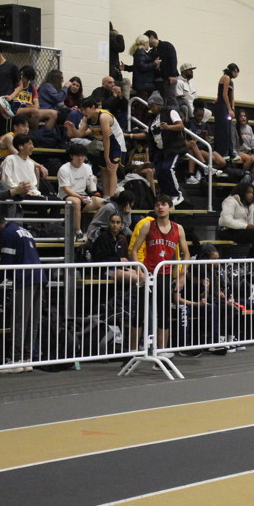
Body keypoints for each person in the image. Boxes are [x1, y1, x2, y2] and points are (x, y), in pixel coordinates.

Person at [128, 194, 190, 351]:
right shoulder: (148, 226)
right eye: (157, 205)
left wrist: (182, 276)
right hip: (148, 274)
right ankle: (132, 352)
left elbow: (186, 255)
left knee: (164, 316)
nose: (160, 207)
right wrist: (139, 271)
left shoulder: (178, 228)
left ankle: (161, 352)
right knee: (139, 314)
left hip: (165, 275)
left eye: (164, 204)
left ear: (170, 208)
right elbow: (134, 251)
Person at [0, 214, 45, 373]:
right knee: (32, 320)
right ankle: (27, 358)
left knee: (19, 319)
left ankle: (16, 359)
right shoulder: (23, 230)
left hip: (25, 278)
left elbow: (6, 261)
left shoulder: (7, 233)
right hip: (39, 276)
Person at [78, 97, 127, 197]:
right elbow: (79, 133)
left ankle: (111, 197)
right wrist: (71, 128)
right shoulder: (87, 118)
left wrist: (106, 157)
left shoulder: (103, 116)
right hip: (103, 144)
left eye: (85, 109)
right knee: (104, 171)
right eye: (81, 110)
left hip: (116, 144)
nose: (83, 112)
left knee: (111, 170)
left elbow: (106, 138)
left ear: (92, 107)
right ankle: (106, 196)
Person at [57, 145, 103, 239]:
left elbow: (90, 189)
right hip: (67, 196)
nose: (80, 158)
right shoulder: (64, 169)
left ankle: (92, 229)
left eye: (82, 156)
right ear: (71, 156)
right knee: (76, 202)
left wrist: (93, 183)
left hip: (83, 195)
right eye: (77, 156)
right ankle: (78, 231)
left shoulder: (87, 168)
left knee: (104, 203)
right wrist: (79, 197)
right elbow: (66, 188)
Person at [218, 183, 254, 258]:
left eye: (252, 193)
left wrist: (249, 227)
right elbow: (226, 220)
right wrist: (245, 226)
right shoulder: (230, 201)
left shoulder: (250, 205)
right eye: (248, 192)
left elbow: (250, 223)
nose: (251, 195)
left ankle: (252, 259)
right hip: (226, 230)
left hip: (241, 230)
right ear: (242, 191)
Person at [144, 30, 178, 106]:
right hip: (157, 81)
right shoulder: (152, 52)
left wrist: (172, 75)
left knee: (170, 100)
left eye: (147, 41)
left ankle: (174, 113)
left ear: (151, 37)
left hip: (168, 78)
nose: (147, 43)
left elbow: (173, 60)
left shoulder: (167, 45)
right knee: (160, 102)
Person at [213, 63, 238, 160]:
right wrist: (229, 109)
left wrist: (233, 109)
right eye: (236, 72)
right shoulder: (226, 77)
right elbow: (224, 95)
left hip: (226, 106)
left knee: (228, 130)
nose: (237, 74)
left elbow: (232, 97)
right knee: (223, 129)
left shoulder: (231, 82)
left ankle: (230, 152)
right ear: (234, 70)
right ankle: (222, 152)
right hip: (221, 106)